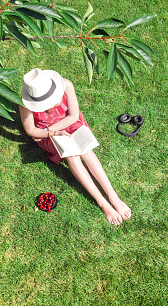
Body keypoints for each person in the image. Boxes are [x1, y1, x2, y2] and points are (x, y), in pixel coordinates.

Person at [19, 68, 131, 225]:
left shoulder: (66, 85)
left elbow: (73, 115)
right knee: (71, 155)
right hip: (48, 133)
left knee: (85, 149)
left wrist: (61, 130)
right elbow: (31, 130)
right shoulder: (25, 105)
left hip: (70, 123)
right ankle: (102, 203)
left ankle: (113, 196)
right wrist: (53, 133)